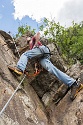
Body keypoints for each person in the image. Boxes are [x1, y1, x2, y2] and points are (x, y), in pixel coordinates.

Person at [9, 32, 81, 100]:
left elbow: (38, 34)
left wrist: (36, 42)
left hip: (41, 49)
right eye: (27, 41)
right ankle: (74, 84)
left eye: (28, 39)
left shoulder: (32, 40)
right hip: (43, 56)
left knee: (25, 54)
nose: (27, 41)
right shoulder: (31, 46)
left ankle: (19, 69)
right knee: (51, 69)